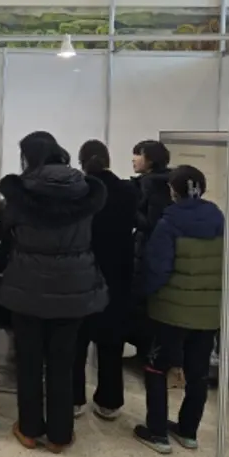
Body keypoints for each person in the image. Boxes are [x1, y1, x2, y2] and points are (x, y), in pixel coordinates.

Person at [0, 131, 107, 453]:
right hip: (73, 287)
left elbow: (6, 234)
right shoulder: (84, 190)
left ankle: (30, 429)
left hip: (27, 286)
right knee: (64, 362)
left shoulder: (20, 192)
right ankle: (60, 435)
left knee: (29, 361)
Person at [133, 165, 229, 454]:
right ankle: (188, 432)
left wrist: (142, 295)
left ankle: (157, 432)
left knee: (156, 368)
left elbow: (157, 270)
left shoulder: (168, 223)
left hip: (170, 313)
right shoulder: (220, 221)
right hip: (208, 314)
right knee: (198, 374)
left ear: (172, 191)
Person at [72, 140, 138, 420]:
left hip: (83, 271)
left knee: (76, 341)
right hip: (117, 273)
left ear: (81, 162)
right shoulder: (128, 191)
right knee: (111, 342)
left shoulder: (79, 191)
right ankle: (110, 402)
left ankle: (74, 399)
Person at [128, 140, 173, 353]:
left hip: (147, 250)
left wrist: (129, 209)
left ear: (151, 160)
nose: (134, 159)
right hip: (149, 249)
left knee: (143, 302)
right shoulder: (164, 181)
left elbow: (151, 222)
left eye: (139, 154)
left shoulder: (151, 184)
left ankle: (147, 352)